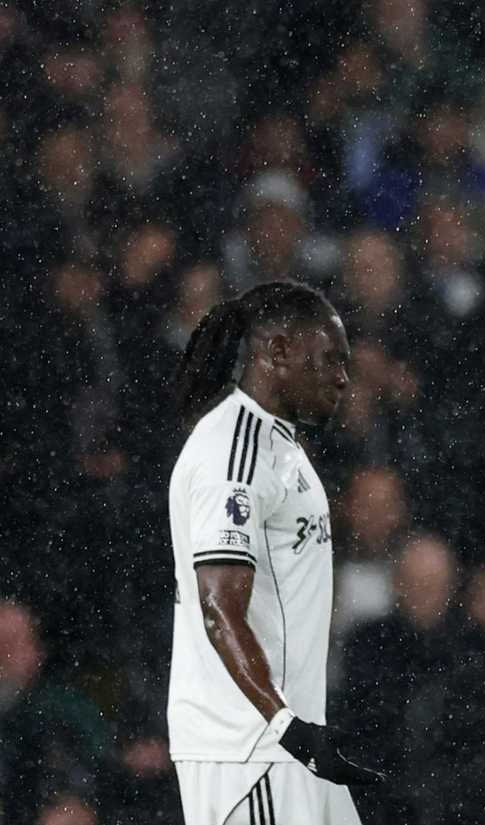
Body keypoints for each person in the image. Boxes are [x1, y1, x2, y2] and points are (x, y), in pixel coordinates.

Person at [168, 280, 383, 825]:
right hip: (253, 748)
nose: (342, 378)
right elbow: (219, 610)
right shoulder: (231, 454)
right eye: (329, 360)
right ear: (278, 352)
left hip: (291, 742)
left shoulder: (275, 441)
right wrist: (286, 728)